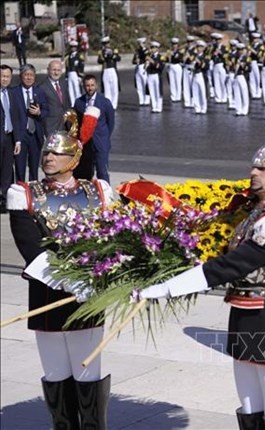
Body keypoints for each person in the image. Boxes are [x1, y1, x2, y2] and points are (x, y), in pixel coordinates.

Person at [138, 111, 265, 429]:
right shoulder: (256, 214)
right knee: (249, 413)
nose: (254, 172)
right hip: (245, 321)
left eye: (263, 168)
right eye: (254, 166)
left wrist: (168, 287)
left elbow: (232, 265)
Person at [7, 114, 114, 428]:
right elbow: (30, 248)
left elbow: (112, 238)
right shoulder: (24, 193)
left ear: (74, 157)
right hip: (47, 291)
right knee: (56, 372)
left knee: (87, 372)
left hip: (89, 293)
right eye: (46, 153)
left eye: (56, 153)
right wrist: (68, 281)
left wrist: (98, 277)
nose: (48, 157)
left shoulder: (99, 191)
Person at [73, 75, 115, 183]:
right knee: (85, 172)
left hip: (100, 142)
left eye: (92, 85)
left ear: (96, 85)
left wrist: (104, 137)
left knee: (102, 171)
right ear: (83, 86)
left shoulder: (105, 102)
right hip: (85, 145)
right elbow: (76, 122)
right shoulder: (78, 102)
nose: (90, 88)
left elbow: (110, 123)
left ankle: (105, 196)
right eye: (87, 85)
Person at [10, 64, 48, 182]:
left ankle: (33, 193)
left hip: (35, 134)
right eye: (26, 75)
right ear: (21, 76)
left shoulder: (39, 91)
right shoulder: (14, 92)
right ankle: (21, 192)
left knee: (34, 167)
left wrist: (39, 112)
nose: (29, 78)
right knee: (20, 168)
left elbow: (46, 110)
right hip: (20, 135)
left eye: (31, 75)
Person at [1, 65, 20, 213]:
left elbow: (16, 118)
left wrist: (17, 140)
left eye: (7, 76)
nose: (5, 79)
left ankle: (6, 200)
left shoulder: (12, 93)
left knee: (8, 170)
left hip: (9, 138)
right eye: (2, 76)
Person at [39, 59, 71, 137]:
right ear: (48, 70)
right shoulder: (42, 87)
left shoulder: (64, 84)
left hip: (65, 126)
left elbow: (67, 104)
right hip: (50, 127)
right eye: (54, 70)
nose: (56, 73)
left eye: (58, 70)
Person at [97, 36, 121, 110]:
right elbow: (99, 61)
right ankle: (108, 104)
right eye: (105, 44)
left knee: (114, 88)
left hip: (112, 69)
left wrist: (112, 55)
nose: (106, 45)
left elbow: (118, 58)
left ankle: (114, 104)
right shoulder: (101, 52)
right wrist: (105, 55)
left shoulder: (114, 50)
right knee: (107, 89)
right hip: (105, 70)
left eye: (107, 43)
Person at [64, 40, 85, 106]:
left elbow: (81, 66)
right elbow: (67, 66)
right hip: (70, 73)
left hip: (76, 73)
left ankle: (79, 104)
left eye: (74, 47)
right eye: (72, 47)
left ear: (76, 47)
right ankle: (73, 104)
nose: (73, 48)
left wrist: (80, 76)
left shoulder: (79, 56)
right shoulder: (68, 56)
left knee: (77, 89)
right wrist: (66, 76)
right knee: (70, 90)